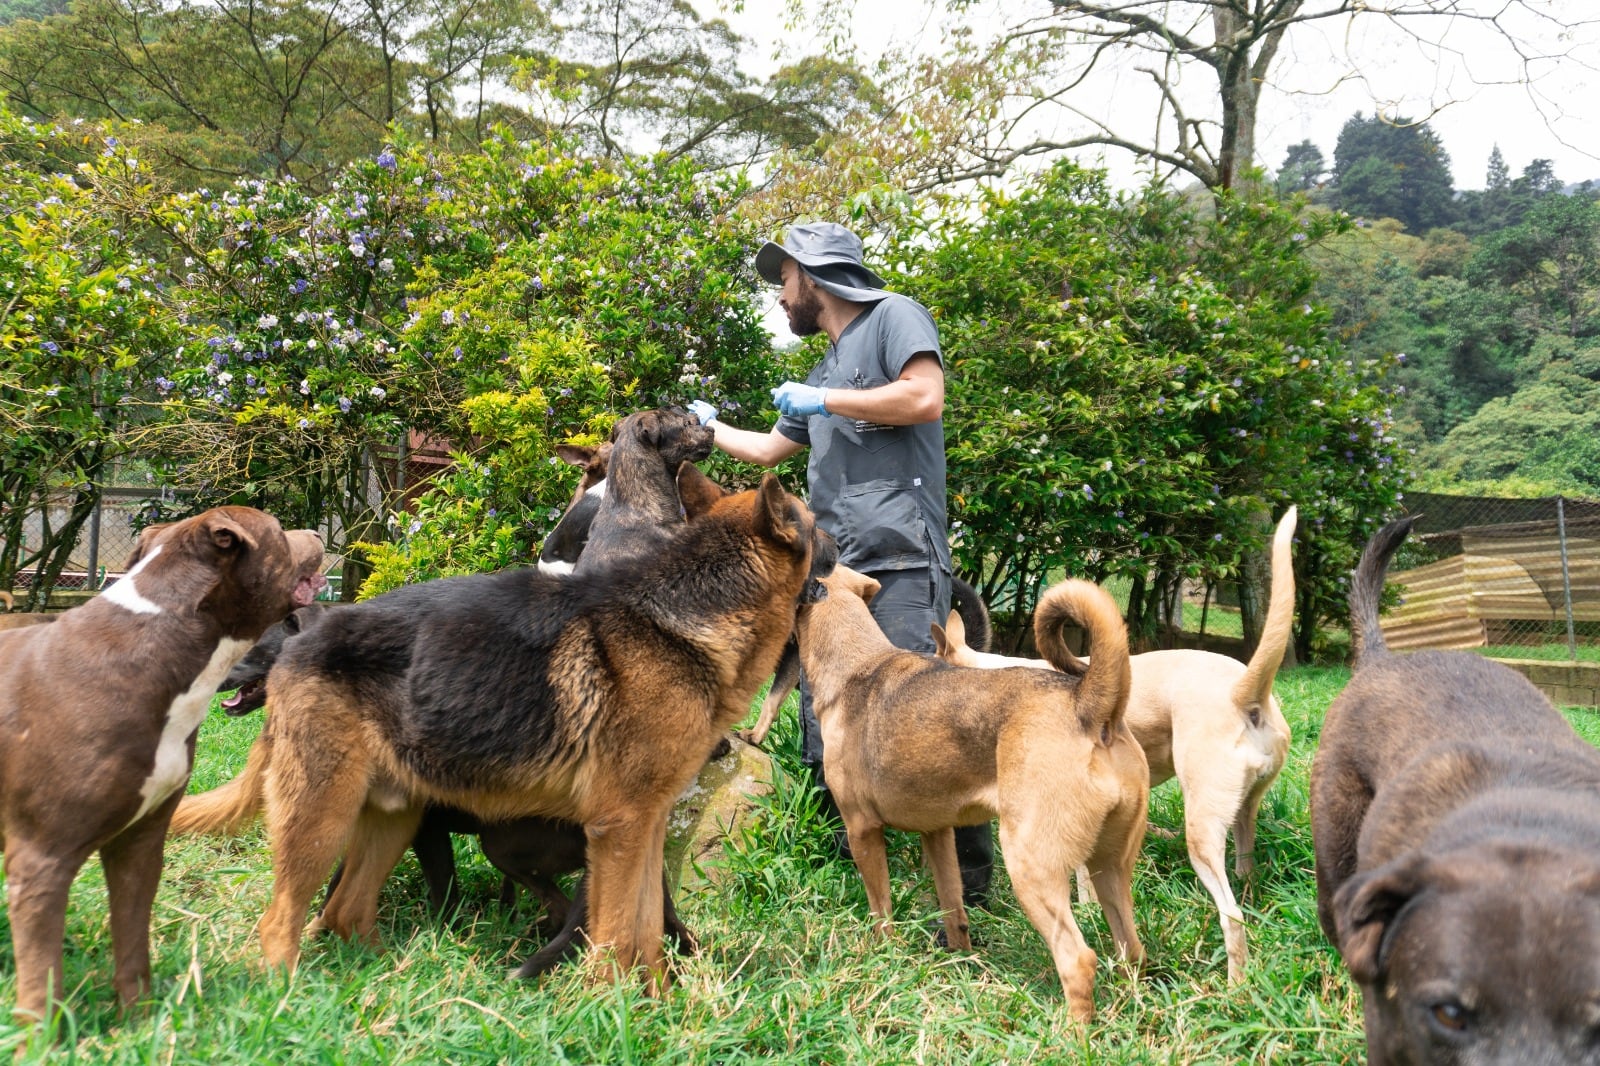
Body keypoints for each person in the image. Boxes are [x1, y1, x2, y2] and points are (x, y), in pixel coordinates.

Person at [688, 221, 993, 907]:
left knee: (928, 716)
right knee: (830, 720)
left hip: (903, 555)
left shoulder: (894, 318)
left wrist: (824, 399)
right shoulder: (824, 367)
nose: (779, 297)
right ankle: (852, 885)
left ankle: (969, 893)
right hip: (835, 571)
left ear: (813, 275)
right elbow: (770, 450)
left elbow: (924, 396)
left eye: (783, 280)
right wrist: (706, 432)